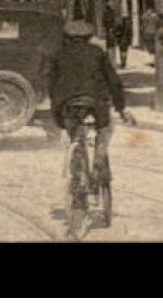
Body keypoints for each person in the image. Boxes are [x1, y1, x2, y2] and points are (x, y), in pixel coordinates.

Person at [46, 19, 133, 218]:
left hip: (68, 105)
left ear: (67, 37)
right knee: (105, 127)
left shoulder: (59, 55)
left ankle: (78, 178)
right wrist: (120, 108)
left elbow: (50, 85)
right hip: (95, 103)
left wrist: (57, 110)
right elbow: (114, 82)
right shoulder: (97, 53)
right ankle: (100, 157)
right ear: (89, 37)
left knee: (76, 138)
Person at [104, 1, 131, 70]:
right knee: (122, 49)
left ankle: (116, 63)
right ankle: (122, 63)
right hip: (122, 35)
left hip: (119, 35)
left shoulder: (109, 14)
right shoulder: (123, 20)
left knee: (117, 48)